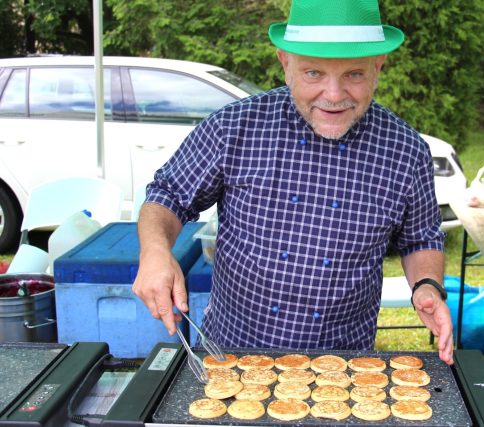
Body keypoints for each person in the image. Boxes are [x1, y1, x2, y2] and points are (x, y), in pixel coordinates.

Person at [133, 0, 454, 365]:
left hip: (343, 365)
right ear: (285, 62)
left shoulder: (406, 150)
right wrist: (155, 252)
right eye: (314, 73)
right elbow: (169, 194)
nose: (334, 95)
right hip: (233, 354)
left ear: (378, 66)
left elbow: (420, 238)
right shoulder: (234, 128)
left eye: (354, 74)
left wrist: (427, 285)